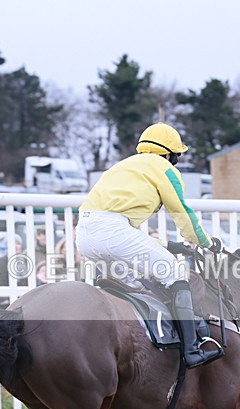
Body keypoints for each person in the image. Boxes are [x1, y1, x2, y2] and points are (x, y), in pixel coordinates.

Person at [75, 122, 223, 368]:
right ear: (169, 154)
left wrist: (168, 244)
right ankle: (192, 350)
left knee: (137, 283)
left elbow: (124, 230)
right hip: (113, 232)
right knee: (175, 273)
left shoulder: (123, 165)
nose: (175, 162)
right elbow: (182, 213)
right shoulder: (164, 169)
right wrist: (206, 242)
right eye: (176, 157)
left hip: (85, 235)